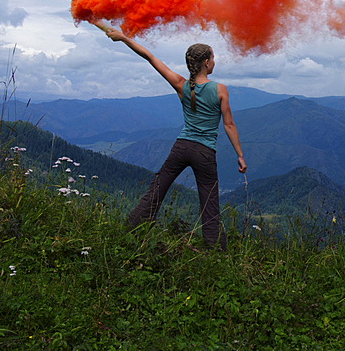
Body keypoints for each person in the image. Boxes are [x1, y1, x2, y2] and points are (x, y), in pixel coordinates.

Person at [102, 26, 246, 250]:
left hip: (181, 147)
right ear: (206, 62)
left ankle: (130, 231)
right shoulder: (220, 89)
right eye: (213, 57)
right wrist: (240, 156)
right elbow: (229, 124)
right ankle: (216, 251)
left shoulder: (181, 85)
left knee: (156, 189)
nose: (214, 61)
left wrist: (123, 38)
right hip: (204, 152)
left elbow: (150, 57)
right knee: (209, 203)